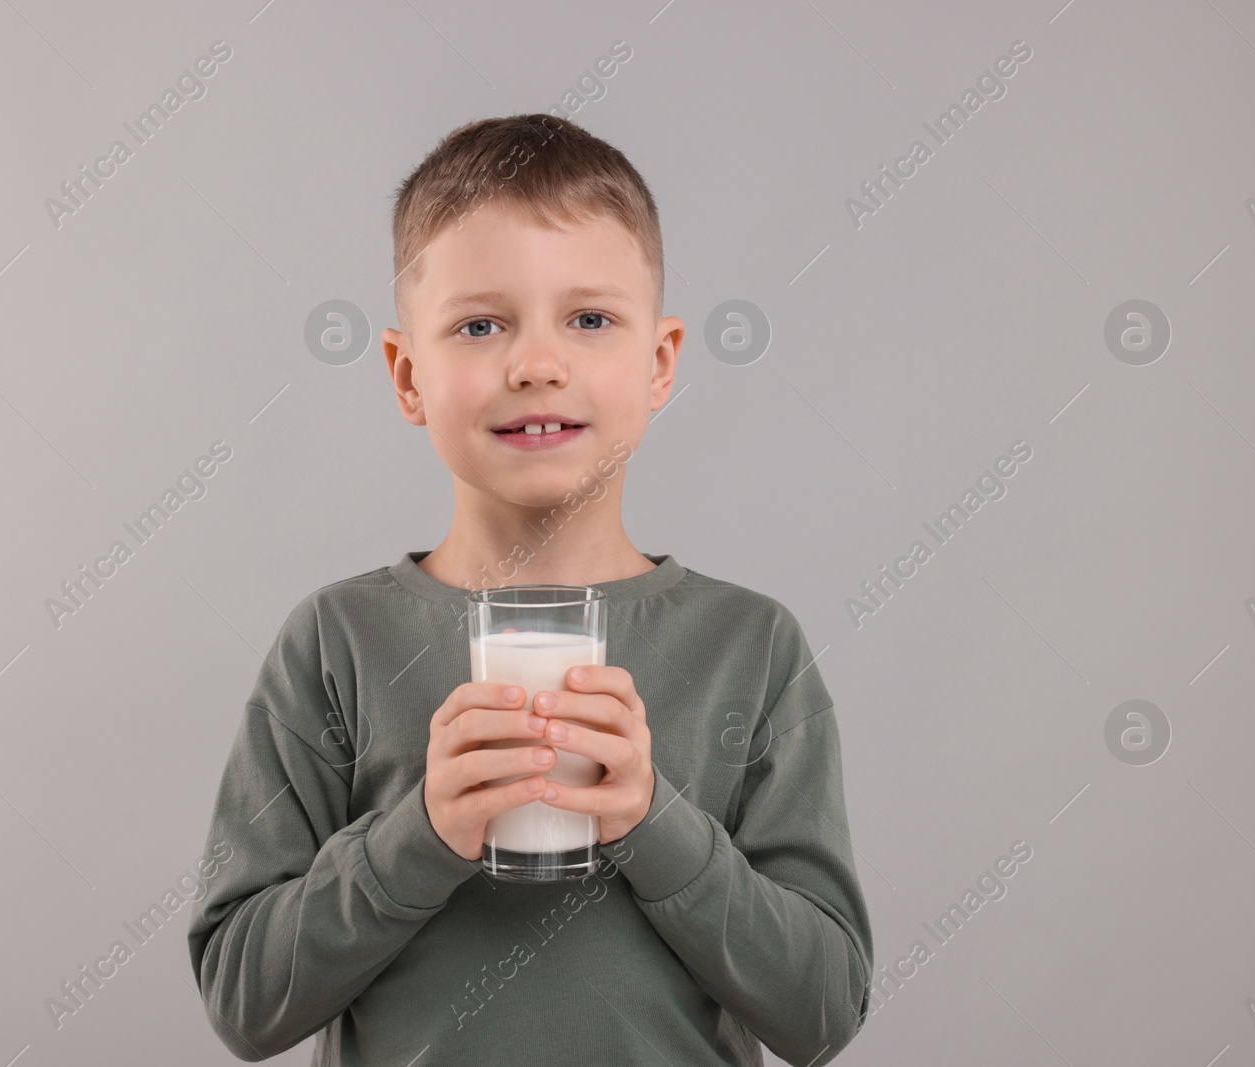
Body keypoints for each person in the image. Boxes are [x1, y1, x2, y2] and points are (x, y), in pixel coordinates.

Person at [187, 112, 873, 1065]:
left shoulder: (751, 648)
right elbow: (243, 1000)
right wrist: (419, 835)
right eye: (479, 324)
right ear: (407, 373)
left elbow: (823, 1009)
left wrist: (652, 820)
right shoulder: (335, 641)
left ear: (661, 361)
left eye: (590, 319)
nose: (536, 363)